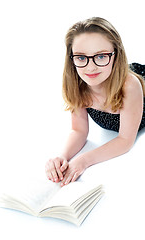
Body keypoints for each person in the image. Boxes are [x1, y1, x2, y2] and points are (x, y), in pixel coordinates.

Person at [45, 17, 145, 187]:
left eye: (100, 56)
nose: (90, 68)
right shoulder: (77, 83)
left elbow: (125, 140)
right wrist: (63, 156)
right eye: (81, 58)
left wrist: (83, 160)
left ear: (115, 54)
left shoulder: (129, 85)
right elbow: (78, 130)